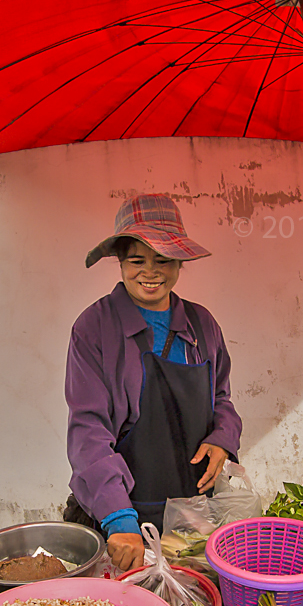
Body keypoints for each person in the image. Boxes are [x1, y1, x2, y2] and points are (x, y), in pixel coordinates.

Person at [64, 194, 243, 573]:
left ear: (179, 263)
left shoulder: (201, 324)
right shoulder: (95, 327)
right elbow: (87, 429)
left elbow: (222, 397)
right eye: (137, 260)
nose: (151, 272)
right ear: (120, 262)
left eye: (163, 260)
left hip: (189, 519)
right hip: (119, 521)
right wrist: (117, 517)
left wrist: (223, 436)